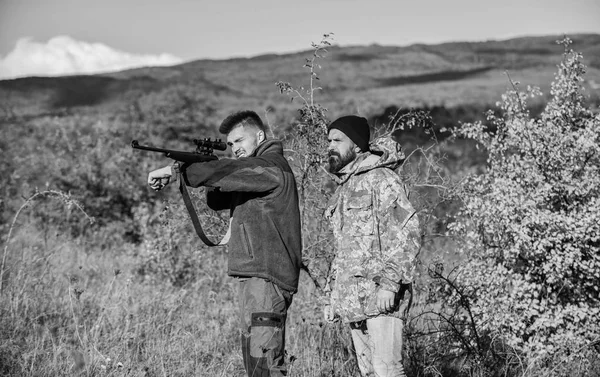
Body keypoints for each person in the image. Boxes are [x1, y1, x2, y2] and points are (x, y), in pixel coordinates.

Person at [147, 110, 302, 377]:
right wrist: (202, 167)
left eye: (240, 141)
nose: (235, 149)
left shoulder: (271, 166)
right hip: (254, 275)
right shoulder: (254, 172)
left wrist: (176, 170)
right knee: (255, 364)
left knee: (265, 365)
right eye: (231, 145)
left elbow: (229, 171)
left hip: (266, 276)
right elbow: (217, 199)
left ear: (260, 136)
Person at [319, 115, 420, 377]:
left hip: (382, 296)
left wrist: (389, 284)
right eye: (329, 140)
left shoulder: (382, 179)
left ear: (357, 146)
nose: (331, 145)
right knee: (369, 373)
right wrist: (333, 295)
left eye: (338, 140)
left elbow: (406, 233)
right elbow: (344, 250)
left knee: (387, 371)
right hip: (354, 300)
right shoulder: (344, 188)